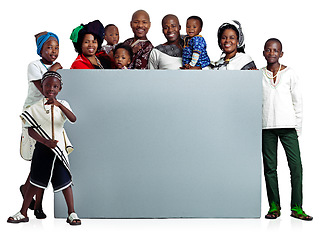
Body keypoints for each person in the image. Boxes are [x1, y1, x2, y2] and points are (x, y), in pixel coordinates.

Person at [8, 71, 81, 225]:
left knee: (65, 182)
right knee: (35, 180)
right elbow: (30, 129)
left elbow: (73, 119)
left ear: (60, 88)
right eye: (47, 85)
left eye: (55, 86)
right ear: (42, 87)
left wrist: (59, 104)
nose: (51, 89)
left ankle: (72, 213)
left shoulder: (63, 104)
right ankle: (23, 213)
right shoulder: (35, 108)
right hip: (43, 148)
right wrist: (45, 142)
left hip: (58, 148)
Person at [261, 38, 312, 221]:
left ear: (281, 54)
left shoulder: (290, 74)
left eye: (275, 50)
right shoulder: (258, 75)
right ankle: (274, 206)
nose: (272, 53)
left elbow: (298, 102)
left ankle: (297, 207)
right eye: (268, 50)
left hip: (288, 127)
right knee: (270, 169)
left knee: (296, 167)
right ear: (264, 53)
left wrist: (297, 127)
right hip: (266, 127)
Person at [20, 31, 62, 220]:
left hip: (49, 115)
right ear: (40, 49)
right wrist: (55, 69)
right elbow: (44, 88)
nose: (53, 50)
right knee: (39, 158)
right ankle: (36, 203)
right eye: (49, 47)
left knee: (44, 158)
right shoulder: (34, 66)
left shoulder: (57, 67)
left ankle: (35, 202)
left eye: (56, 47)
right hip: (33, 113)